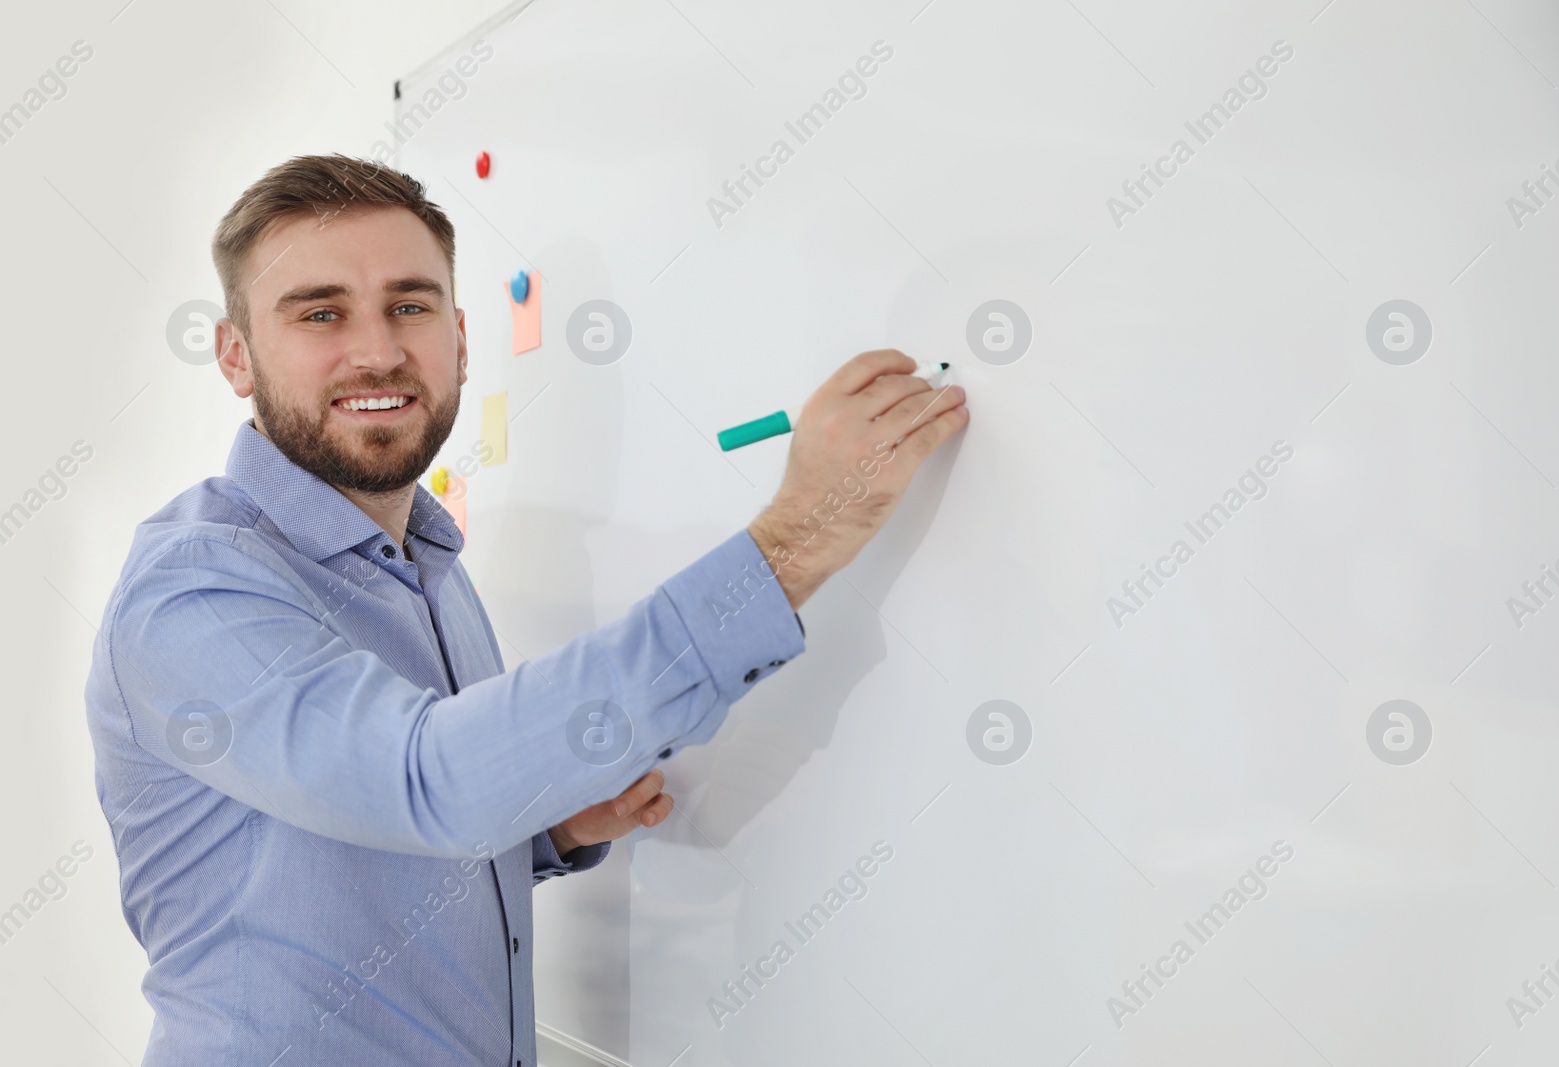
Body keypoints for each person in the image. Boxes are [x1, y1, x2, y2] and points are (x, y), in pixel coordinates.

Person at [83, 153, 968, 1066]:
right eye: (320, 313)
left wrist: (548, 828)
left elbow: (366, 826)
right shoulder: (192, 592)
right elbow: (430, 783)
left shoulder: (428, 565)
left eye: (410, 305)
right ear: (236, 354)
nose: (379, 349)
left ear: (460, 340)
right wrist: (791, 544)